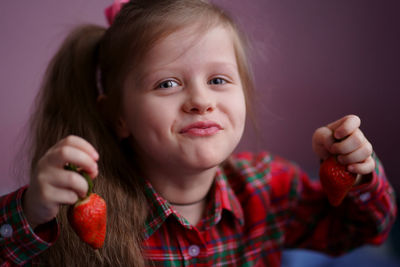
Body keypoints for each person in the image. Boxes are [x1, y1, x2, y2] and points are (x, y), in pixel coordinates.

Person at [0, 0, 397, 266]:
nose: (200, 101)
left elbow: (363, 231)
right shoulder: (78, 213)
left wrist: (357, 174)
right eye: (167, 84)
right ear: (118, 116)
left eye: (219, 79)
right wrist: (33, 211)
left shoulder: (270, 187)